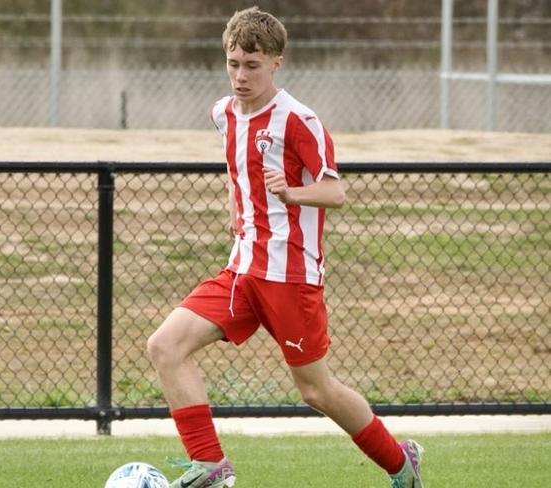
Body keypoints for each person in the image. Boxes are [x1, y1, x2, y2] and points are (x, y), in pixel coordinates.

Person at [147, 7, 424, 488]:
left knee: (317, 391)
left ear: (276, 62)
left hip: (291, 277)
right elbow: (238, 170)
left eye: (251, 65)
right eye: (233, 63)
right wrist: (237, 201)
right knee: (165, 345)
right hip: (242, 270)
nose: (240, 75)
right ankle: (210, 465)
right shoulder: (222, 113)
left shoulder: (300, 121)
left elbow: (335, 192)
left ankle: (401, 463)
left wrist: (291, 192)